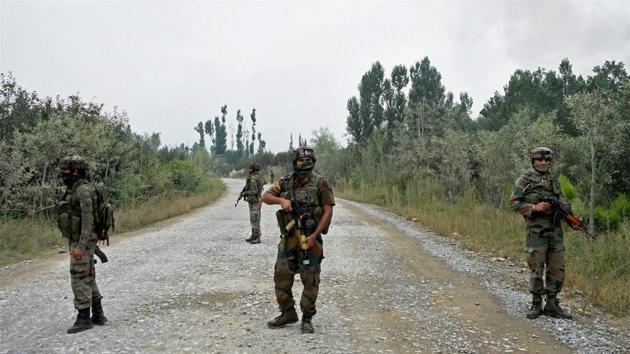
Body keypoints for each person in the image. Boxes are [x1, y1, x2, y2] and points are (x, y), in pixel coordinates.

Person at [262, 146, 335, 334]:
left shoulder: (321, 184)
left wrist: (314, 235)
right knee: (281, 276)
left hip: (311, 239)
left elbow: (328, 211)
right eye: (301, 160)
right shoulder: (285, 182)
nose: (305, 163)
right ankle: (288, 313)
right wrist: (282, 201)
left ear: (313, 162)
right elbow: (266, 197)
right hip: (289, 239)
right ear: (295, 162)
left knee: (310, 279)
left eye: (308, 160)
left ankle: (307, 318)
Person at [509, 147, 574, 320]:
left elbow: (562, 201)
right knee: (536, 267)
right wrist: (534, 208)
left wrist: (571, 219)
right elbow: (514, 203)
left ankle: (552, 304)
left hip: (555, 231)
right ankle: (536, 303)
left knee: (557, 267)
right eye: (540, 160)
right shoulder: (524, 180)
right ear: (533, 161)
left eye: (547, 160)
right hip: (536, 232)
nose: (543, 163)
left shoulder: (554, 180)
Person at [57, 155, 108, 333]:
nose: (64, 174)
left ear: (77, 171)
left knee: (79, 277)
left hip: (82, 240)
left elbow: (88, 221)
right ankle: (98, 314)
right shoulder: (76, 188)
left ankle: (84, 318)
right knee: (88, 276)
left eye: (66, 171)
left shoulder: (83, 190)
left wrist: (80, 246)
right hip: (82, 240)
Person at [242, 163, 265, 244]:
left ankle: (257, 237)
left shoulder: (253, 178)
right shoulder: (259, 176)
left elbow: (253, 191)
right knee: (254, 218)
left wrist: (245, 193)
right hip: (256, 200)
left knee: (255, 218)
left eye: (250, 168)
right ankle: (254, 235)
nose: (249, 170)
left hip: (255, 200)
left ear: (254, 169)